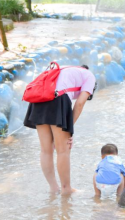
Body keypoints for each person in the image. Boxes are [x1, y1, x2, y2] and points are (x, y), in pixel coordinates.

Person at [24, 65, 96, 195]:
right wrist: (69, 129)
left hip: (38, 99)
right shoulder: (90, 76)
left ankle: (53, 188)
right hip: (58, 99)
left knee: (46, 150)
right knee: (63, 150)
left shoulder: (64, 69)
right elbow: (79, 103)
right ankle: (66, 189)